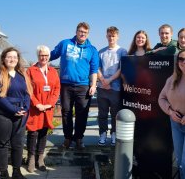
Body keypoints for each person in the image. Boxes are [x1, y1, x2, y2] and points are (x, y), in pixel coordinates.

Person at [50, 22, 99, 150]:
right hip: (66, 85)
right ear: (76, 31)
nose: (82, 34)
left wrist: (93, 85)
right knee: (66, 112)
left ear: (88, 34)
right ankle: (67, 138)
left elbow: (94, 70)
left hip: (83, 86)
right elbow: (51, 55)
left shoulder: (92, 50)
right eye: (80, 31)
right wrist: (40, 61)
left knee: (82, 113)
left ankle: (79, 138)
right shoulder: (65, 43)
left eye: (85, 32)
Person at [0, 47, 32, 179]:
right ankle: (4, 173)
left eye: (15, 57)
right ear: (3, 59)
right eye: (9, 57)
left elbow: (27, 94)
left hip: (20, 113)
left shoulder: (22, 74)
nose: (12, 59)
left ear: (18, 60)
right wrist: (14, 110)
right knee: (3, 143)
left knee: (18, 144)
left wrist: (26, 108)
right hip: (0, 113)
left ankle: (17, 172)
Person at [158, 48, 185, 179]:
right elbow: (161, 98)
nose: (184, 62)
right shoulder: (172, 78)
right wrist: (170, 111)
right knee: (180, 161)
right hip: (175, 124)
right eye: (181, 59)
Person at [25, 45, 60, 172]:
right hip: (35, 108)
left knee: (43, 132)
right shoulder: (31, 71)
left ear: (49, 57)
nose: (43, 57)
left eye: (46, 55)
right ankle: (31, 158)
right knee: (33, 132)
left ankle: (40, 158)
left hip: (47, 108)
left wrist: (49, 104)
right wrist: (37, 104)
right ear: (38, 56)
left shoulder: (53, 71)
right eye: (41, 55)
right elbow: (28, 89)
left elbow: (57, 89)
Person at [97, 26, 128, 146]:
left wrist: (109, 80)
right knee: (102, 113)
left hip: (115, 88)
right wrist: (103, 80)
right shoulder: (101, 52)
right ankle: (103, 134)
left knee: (115, 113)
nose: (111, 38)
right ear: (106, 36)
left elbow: (121, 69)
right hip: (102, 87)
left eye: (113, 36)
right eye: (109, 35)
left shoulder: (122, 51)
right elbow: (97, 68)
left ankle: (114, 134)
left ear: (117, 37)